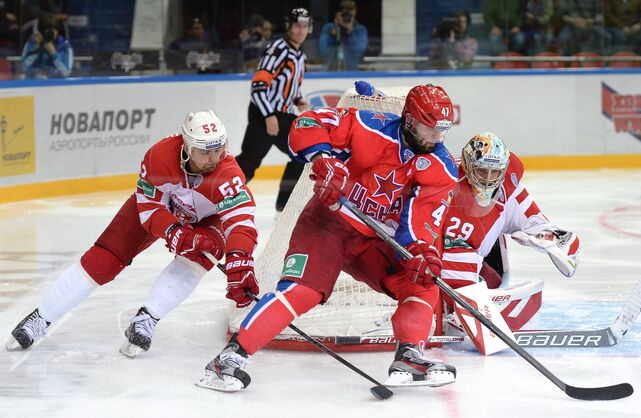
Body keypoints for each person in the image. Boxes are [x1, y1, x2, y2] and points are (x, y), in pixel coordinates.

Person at [197, 84, 460, 392]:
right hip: (328, 222)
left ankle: (410, 355)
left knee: (423, 283)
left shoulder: (441, 167)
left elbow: (421, 220)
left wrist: (420, 251)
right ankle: (229, 359)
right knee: (303, 291)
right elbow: (307, 123)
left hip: (374, 241)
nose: (435, 138)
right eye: (429, 128)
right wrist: (322, 158)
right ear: (410, 120)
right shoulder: (367, 126)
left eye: (440, 130)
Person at [6, 110, 259, 358]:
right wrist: (175, 233)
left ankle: (146, 319)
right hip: (162, 209)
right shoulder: (160, 157)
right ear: (188, 147)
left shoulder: (227, 174)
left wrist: (240, 259)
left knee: (206, 252)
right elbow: (150, 209)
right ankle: (41, 317)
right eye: (205, 151)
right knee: (104, 258)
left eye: (219, 149)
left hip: (207, 218)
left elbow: (241, 221)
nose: (214, 158)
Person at [439, 132, 580, 335]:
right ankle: (445, 305)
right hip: (438, 255)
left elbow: (535, 220)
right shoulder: (446, 178)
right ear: (469, 166)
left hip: (478, 255)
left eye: (494, 172)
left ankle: (458, 302)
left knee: (494, 281)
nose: (488, 180)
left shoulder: (508, 183)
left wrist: (553, 240)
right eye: (481, 171)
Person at [235, 7, 311, 213]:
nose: (301, 30)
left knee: (303, 154)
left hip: (284, 116)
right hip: (264, 114)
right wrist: (269, 115)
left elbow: (289, 87)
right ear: (288, 26)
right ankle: (215, 202)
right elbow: (258, 87)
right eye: (297, 25)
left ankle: (283, 206)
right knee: (248, 163)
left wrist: (298, 100)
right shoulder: (278, 49)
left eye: (305, 26)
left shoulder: (300, 56)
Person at [318, 0, 368, 71]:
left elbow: (359, 52)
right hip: (330, 71)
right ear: (339, 14)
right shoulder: (329, 28)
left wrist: (350, 32)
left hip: (352, 71)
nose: (347, 15)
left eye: (351, 10)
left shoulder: (360, 30)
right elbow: (322, 51)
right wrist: (333, 35)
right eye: (345, 11)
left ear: (355, 12)